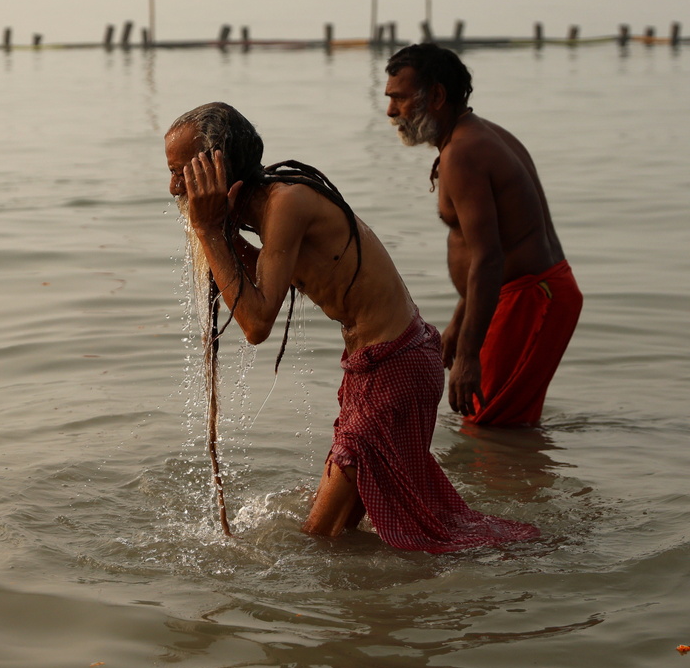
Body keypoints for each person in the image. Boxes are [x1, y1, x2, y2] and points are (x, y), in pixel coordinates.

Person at [165, 101, 539, 552]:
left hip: (394, 370)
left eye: (181, 172)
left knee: (316, 543)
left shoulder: (286, 203)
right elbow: (251, 282)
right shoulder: (264, 209)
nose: (173, 188)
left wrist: (208, 232)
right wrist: (218, 231)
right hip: (382, 366)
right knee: (342, 533)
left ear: (216, 167)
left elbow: (257, 322)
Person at [384, 43, 583, 426]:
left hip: (529, 297)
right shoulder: (478, 136)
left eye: (401, 98)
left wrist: (470, 355)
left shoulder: (464, 152)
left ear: (437, 95)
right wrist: (462, 318)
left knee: (488, 429)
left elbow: (490, 256)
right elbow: (498, 245)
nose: (392, 112)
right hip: (526, 293)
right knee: (503, 429)